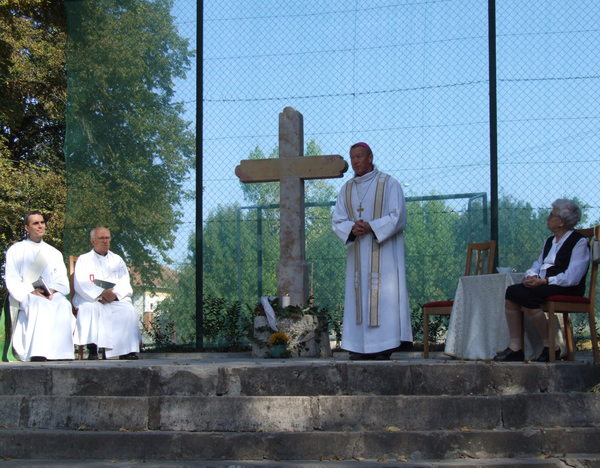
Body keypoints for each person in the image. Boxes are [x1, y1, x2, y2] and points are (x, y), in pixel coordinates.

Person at [332, 142, 412, 360]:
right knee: (359, 297)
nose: (355, 161)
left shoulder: (389, 184)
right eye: (352, 157)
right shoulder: (346, 189)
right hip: (358, 253)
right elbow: (337, 220)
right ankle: (358, 347)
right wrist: (352, 228)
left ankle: (384, 347)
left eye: (359, 156)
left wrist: (372, 226)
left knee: (384, 297)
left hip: (383, 254)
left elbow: (398, 216)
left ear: (370, 157)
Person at [494, 199, 590, 362]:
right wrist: (531, 276)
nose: (547, 218)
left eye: (551, 215)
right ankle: (516, 347)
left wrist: (545, 281)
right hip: (545, 284)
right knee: (513, 291)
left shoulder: (579, 242)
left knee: (529, 297)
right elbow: (538, 264)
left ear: (560, 222)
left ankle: (551, 346)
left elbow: (573, 276)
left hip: (566, 286)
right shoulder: (549, 241)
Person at [4, 211, 75, 361]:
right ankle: (38, 352)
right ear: (26, 228)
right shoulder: (15, 250)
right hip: (28, 295)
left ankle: (61, 353)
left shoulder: (54, 253)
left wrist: (52, 291)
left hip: (50, 294)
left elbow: (62, 281)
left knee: (63, 304)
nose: (40, 226)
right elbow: (12, 279)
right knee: (39, 304)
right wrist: (31, 291)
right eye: (35, 223)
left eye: (42, 222)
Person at [73, 227, 140, 360]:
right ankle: (93, 348)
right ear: (93, 241)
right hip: (92, 299)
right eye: (101, 238)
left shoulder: (117, 260)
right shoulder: (84, 260)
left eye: (107, 238)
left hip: (114, 299)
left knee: (128, 309)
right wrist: (101, 294)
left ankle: (127, 350)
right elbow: (81, 282)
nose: (105, 241)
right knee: (91, 308)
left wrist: (114, 295)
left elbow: (124, 281)